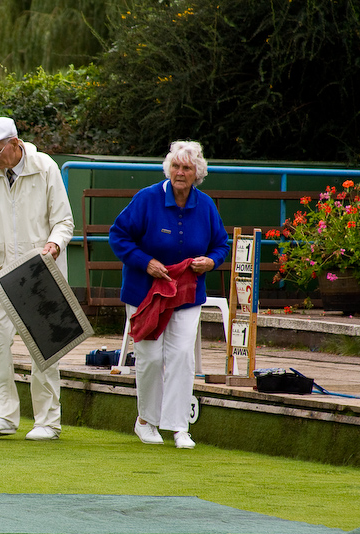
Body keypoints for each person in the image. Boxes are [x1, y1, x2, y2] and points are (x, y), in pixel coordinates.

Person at [109, 140, 229, 449]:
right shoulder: (146, 199)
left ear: (197, 173)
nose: (180, 172)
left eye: (187, 167)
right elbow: (118, 235)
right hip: (144, 292)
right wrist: (144, 262)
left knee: (180, 357)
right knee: (149, 357)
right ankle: (146, 420)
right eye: (175, 166)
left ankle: (178, 427)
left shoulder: (205, 205)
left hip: (187, 293)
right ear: (168, 169)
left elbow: (221, 244)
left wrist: (211, 261)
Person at [0, 117, 75, 441]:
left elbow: (64, 221)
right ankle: (1, 415)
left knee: (43, 344)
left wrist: (54, 245)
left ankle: (47, 422)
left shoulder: (45, 168)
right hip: (1, 273)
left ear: (15, 143)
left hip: (42, 268)